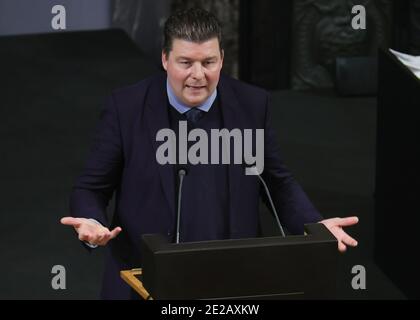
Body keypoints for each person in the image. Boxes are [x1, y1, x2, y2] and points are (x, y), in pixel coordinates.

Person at [61, 8, 358, 299]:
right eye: (186, 62)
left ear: (221, 60)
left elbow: (275, 182)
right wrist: (91, 220)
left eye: (209, 62)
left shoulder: (251, 105)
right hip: (144, 281)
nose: (198, 75)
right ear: (165, 59)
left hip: (232, 281)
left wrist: (313, 225)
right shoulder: (126, 108)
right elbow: (91, 186)